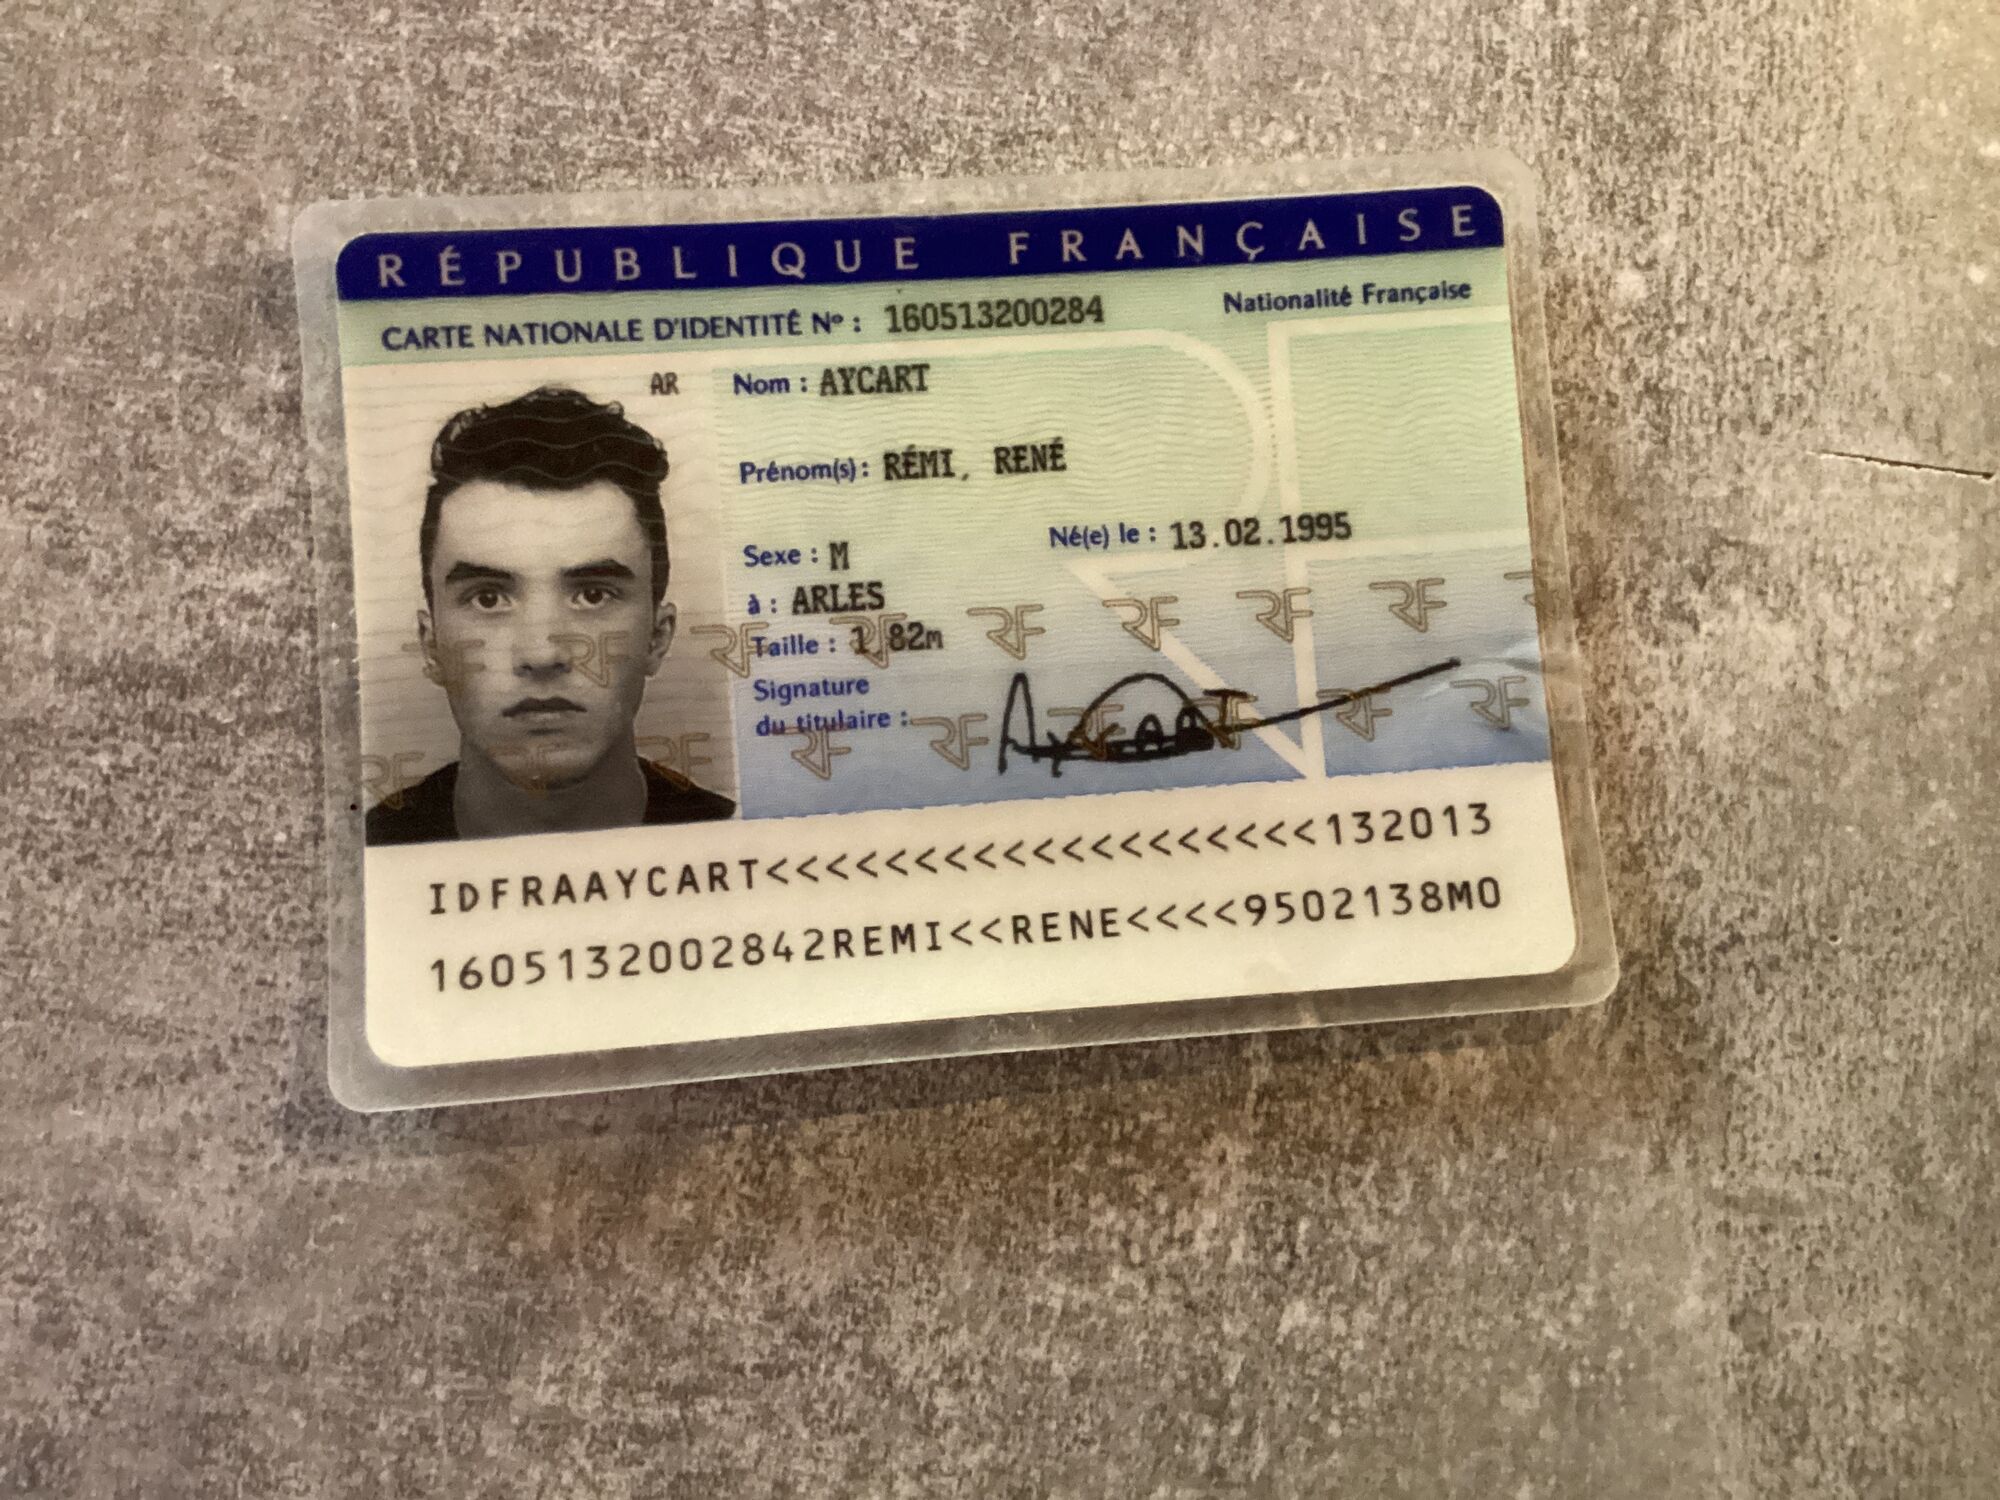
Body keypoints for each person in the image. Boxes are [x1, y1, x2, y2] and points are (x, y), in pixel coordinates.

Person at [367, 386, 734, 844]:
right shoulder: (366, 851)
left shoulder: (740, 839)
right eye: (488, 599)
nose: (542, 655)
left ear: (657, 638)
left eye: (593, 596)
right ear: (431, 644)